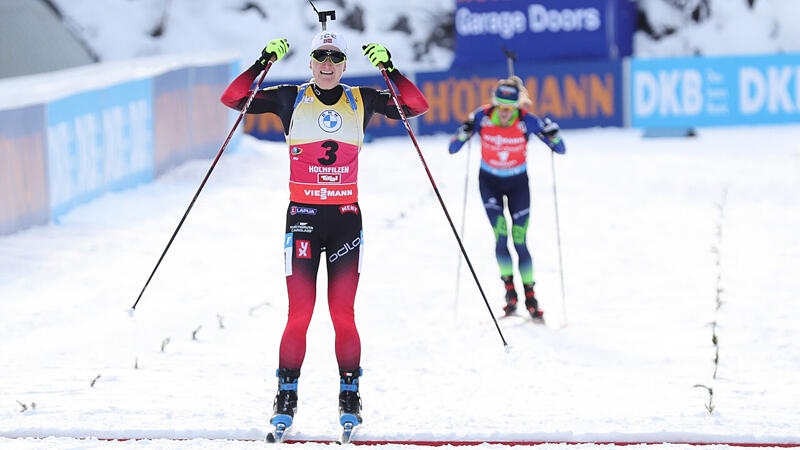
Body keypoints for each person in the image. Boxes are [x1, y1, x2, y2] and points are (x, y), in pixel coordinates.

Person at [220, 33, 428, 430]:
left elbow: (417, 106)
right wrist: (263, 61)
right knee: (299, 313)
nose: (327, 64)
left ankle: (350, 396)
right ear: (311, 62)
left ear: (345, 64)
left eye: (335, 57)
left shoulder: (362, 99)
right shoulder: (290, 97)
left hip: (345, 220)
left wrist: (390, 68)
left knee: (342, 314)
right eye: (320, 56)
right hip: (302, 218)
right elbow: (232, 99)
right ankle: (285, 397)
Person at [448, 77, 565, 320]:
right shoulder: (482, 116)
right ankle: (510, 294)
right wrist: (463, 133)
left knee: (520, 239)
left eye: (509, 108)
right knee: (501, 235)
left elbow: (560, 148)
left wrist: (554, 135)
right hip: (489, 183)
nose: (503, 112)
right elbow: (453, 148)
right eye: (500, 106)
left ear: (517, 105)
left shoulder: (526, 120)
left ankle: (531, 298)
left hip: (517, 184)